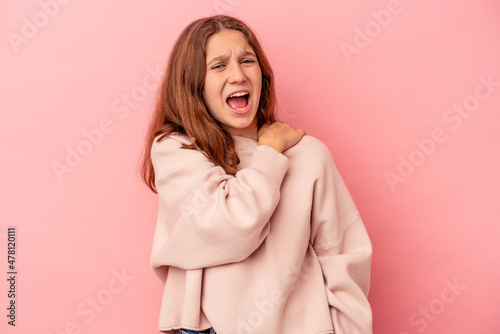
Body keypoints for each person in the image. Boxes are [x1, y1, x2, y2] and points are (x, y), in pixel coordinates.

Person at [139, 15, 373, 334]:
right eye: (219, 65)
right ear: (194, 84)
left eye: (247, 60)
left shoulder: (308, 155)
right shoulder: (177, 150)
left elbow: (344, 257)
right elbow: (232, 226)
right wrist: (270, 152)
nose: (238, 75)